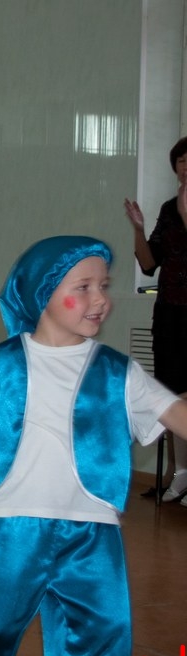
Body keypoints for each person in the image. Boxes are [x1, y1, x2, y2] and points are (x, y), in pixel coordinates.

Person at [0, 236, 187, 656]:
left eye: (104, 286)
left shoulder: (117, 370)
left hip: (93, 531)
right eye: (83, 287)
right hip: (13, 527)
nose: (100, 299)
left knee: (102, 636)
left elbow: (173, 412)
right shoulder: (2, 361)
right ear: (43, 293)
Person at [124, 137, 187, 502]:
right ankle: (177, 474)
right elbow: (149, 263)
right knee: (171, 393)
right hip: (169, 313)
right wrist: (138, 228)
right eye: (181, 160)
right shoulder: (167, 208)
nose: (186, 166)